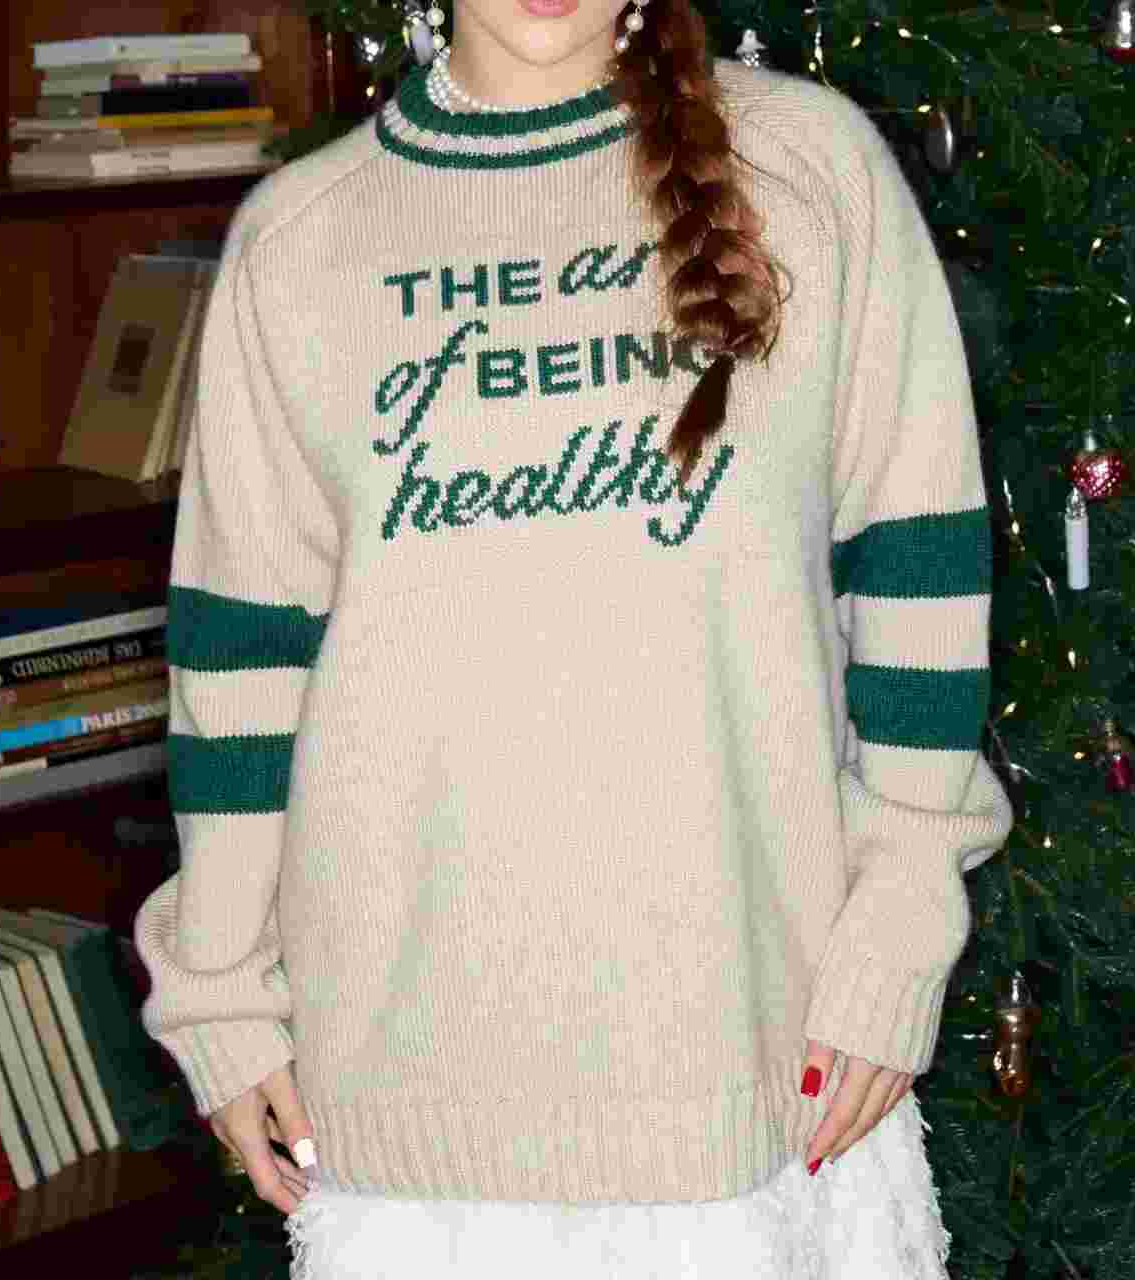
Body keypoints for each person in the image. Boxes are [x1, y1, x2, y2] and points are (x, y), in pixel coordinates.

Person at [133, 0, 1012, 1272]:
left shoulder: (811, 172)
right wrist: (218, 991)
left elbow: (919, 570)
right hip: (413, 1139)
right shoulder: (300, 240)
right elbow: (238, 668)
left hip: (764, 1094)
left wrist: (900, 931)